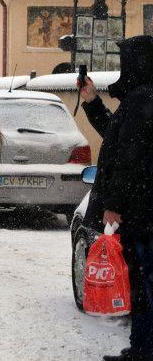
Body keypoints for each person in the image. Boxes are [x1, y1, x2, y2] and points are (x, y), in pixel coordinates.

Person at [79, 36, 153, 361]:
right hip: (142, 207)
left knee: (144, 282)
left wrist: (115, 205)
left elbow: (129, 157)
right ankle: (142, 345)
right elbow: (116, 136)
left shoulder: (142, 100)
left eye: (126, 61)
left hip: (141, 212)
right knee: (142, 281)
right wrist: (92, 101)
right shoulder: (141, 98)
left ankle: (144, 348)